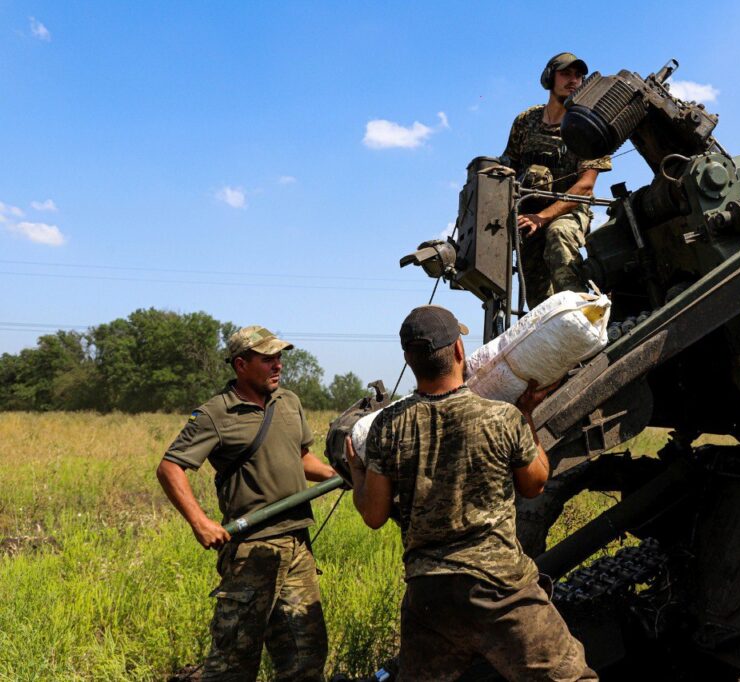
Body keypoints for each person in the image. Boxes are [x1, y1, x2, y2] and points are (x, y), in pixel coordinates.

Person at [347, 305, 597, 681]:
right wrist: (526, 415)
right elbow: (535, 484)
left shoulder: (387, 427)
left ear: (409, 361)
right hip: (499, 588)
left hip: (429, 596)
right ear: (460, 352)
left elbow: (374, 515)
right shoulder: (501, 417)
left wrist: (356, 469)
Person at [156, 325, 336, 682]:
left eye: (279, 357)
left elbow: (301, 459)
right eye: (267, 358)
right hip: (251, 550)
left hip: (298, 544)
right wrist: (200, 523)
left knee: (307, 655)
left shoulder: (289, 402)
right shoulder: (215, 414)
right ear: (240, 364)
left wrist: (337, 474)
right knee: (233, 663)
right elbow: (170, 466)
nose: (278, 365)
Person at [500, 51, 613, 310]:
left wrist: (544, 217)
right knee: (536, 291)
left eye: (578, 75)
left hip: (569, 210)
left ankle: (580, 315)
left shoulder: (589, 125)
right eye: (566, 74)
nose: (573, 80)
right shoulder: (526, 121)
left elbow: (585, 186)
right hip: (529, 214)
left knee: (558, 235)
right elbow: (508, 166)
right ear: (550, 77)